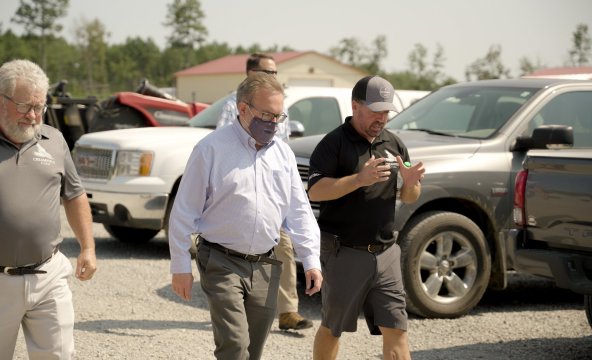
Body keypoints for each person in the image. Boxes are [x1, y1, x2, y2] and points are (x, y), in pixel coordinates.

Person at [169, 72, 322, 360]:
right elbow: (183, 212)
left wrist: (311, 259)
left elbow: (298, 210)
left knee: (253, 351)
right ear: (243, 109)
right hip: (221, 261)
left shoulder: (283, 154)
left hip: (266, 263)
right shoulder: (210, 149)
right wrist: (180, 266)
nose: (273, 123)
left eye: (278, 116)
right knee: (235, 347)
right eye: (266, 115)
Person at [0, 59, 97, 359]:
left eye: (39, 107)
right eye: (25, 106)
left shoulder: (54, 140)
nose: (33, 116)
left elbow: (75, 194)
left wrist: (88, 247)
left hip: (49, 275)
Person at [309, 75, 425, 360]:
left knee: (397, 329)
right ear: (355, 106)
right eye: (375, 110)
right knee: (332, 327)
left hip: (386, 253)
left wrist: (410, 184)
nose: (381, 118)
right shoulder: (333, 143)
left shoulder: (395, 144)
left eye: (386, 111)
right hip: (345, 252)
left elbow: (410, 196)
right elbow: (315, 191)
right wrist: (359, 179)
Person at [215, 52, 312, 331]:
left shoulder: (282, 107)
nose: (272, 78)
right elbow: (226, 145)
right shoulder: (231, 107)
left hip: (273, 193)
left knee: (283, 247)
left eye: (275, 73)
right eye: (267, 73)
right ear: (250, 74)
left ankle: (288, 312)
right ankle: (242, 307)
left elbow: (283, 148)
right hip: (242, 192)